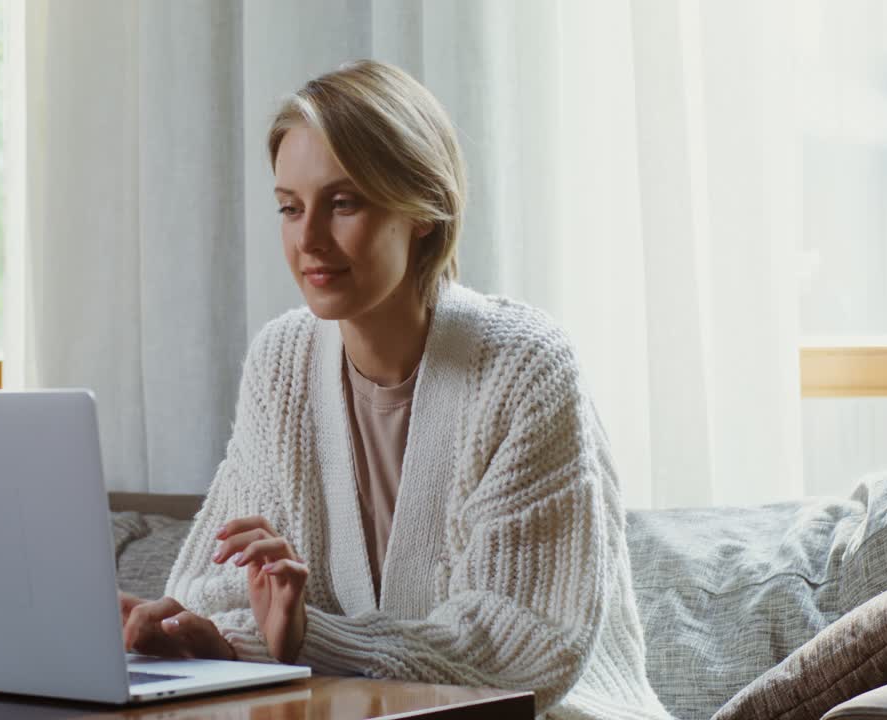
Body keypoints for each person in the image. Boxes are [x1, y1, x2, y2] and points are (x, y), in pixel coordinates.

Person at [119, 59, 669, 719]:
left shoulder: (524, 369)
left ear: (424, 212)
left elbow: (521, 647)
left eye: (343, 202)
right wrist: (193, 633)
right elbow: (209, 589)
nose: (309, 240)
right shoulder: (281, 362)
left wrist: (303, 637)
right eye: (290, 209)